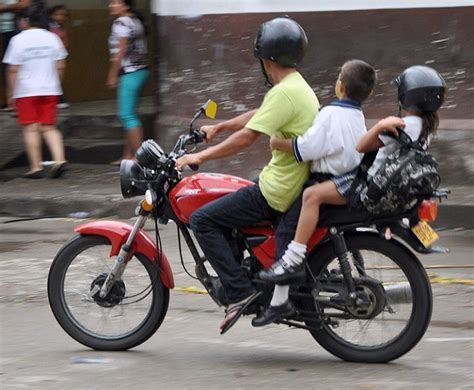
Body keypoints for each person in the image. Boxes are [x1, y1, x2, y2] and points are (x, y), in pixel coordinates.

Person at [176, 17, 319, 334]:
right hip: (287, 183)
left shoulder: (284, 93)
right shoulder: (296, 87)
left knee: (202, 219)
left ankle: (239, 293)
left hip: (277, 190)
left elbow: (248, 137)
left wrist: (198, 156)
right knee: (228, 206)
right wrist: (220, 126)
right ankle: (246, 273)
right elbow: (261, 114)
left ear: (267, 58)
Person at [254, 59, 377, 326]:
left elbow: (307, 148)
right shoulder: (356, 114)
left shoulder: (331, 113)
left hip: (326, 181)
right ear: (368, 94)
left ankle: (279, 300)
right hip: (348, 180)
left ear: (339, 86)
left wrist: (278, 142)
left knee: (287, 228)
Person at [3, 6, 68, 178]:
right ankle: (59, 160)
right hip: (50, 90)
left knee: (31, 129)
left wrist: (10, 94)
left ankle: (35, 167)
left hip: (26, 91)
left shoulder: (18, 40)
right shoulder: (53, 38)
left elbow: (12, 70)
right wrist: (55, 84)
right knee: (49, 127)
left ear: (25, 20)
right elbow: (61, 65)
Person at [357, 65, 446, 179]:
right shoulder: (427, 127)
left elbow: (361, 146)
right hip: (397, 182)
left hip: (375, 181)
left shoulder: (401, 125)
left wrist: (380, 125)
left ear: (405, 95)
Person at [107, 0, 149, 165]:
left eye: (115, 2)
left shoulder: (121, 22)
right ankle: (127, 156)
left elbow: (120, 51)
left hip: (129, 72)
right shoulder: (135, 20)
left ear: (126, 5)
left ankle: (140, 158)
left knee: (127, 115)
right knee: (130, 114)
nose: (111, 6)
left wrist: (112, 74)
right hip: (141, 70)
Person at [0, 0, 30, 111]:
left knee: (12, 65)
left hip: (14, 30)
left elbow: (25, 4)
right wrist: (13, 6)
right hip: (8, 30)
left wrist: (5, 7)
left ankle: (12, 101)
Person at [48, 4, 69, 109]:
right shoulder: (49, 27)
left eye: (63, 15)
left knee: (58, 75)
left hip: (60, 55)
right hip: (50, 57)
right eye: (56, 14)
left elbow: (65, 43)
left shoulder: (62, 29)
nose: (60, 17)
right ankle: (57, 97)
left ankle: (58, 97)